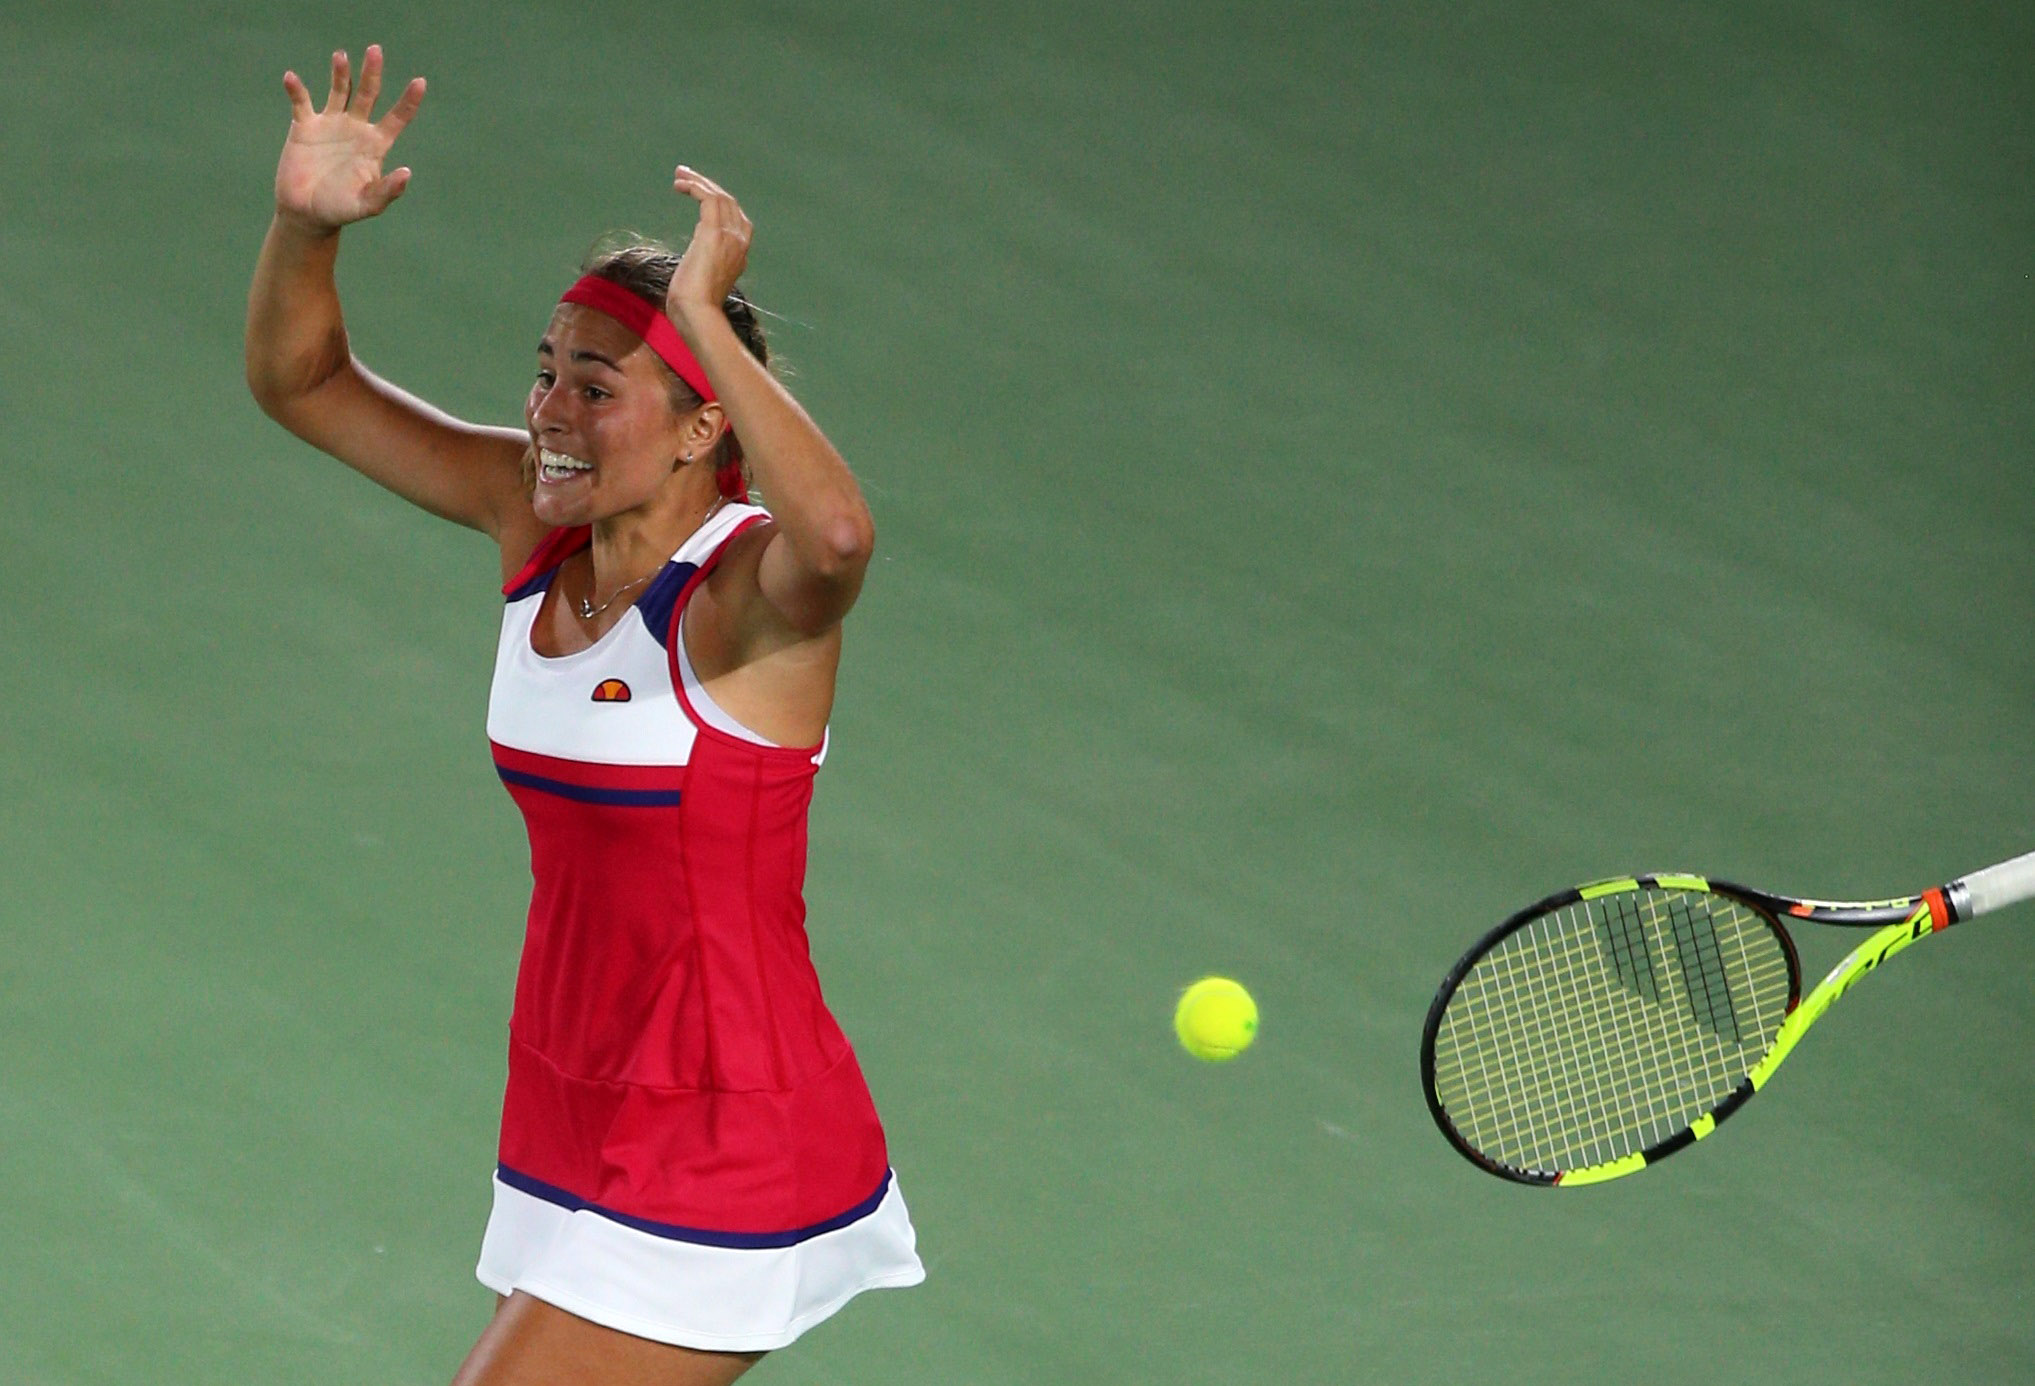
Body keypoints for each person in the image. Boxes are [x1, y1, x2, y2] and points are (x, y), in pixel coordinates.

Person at [245, 45, 924, 1386]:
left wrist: (704, 312)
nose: (547, 410)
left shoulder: (741, 600)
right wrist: (301, 231)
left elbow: (838, 533)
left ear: (695, 430)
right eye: (546, 369)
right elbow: (304, 386)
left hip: (724, 1116)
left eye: (595, 387)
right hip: (579, 1086)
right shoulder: (535, 522)